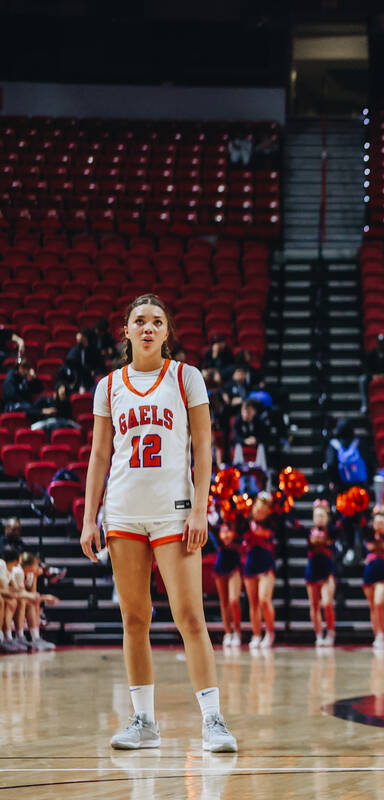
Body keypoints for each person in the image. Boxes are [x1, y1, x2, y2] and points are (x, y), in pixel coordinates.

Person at [78, 294, 237, 752]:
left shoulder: (187, 377)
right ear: (125, 331)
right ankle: (144, 721)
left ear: (167, 332)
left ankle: (213, 721)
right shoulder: (109, 386)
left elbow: (204, 448)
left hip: (175, 510)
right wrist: (90, 518)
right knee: (134, 617)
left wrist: (201, 507)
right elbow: (99, 456)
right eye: (139, 321)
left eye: (157, 321)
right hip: (123, 510)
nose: (147, 328)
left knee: (190, 615)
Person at [241, 493, 277, 650]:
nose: (259, 514)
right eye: (258, 510)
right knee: (253, 602)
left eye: (263, 511)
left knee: (264, 599)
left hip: (266, 565)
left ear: (268, 512)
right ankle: (256, 634)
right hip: (250, 565)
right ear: (253, 509)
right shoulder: (245, 522)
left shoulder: (272, 524)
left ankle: (270, 632)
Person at [362, 506, 384, 650]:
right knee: (373, 607)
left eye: (383, 522)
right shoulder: (368, 535)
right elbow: (360, 521)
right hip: (369, 574)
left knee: (379, 602)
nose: (380, 525)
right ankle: (378, 634)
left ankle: (381, 633)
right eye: (377, 522)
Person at [306, 500, 337, 647]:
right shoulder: (309, 532)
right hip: (312, 570)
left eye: (322, 516)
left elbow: (344, 523)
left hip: (327, 571)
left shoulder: (331, 532)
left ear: (327, 517)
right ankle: (318, 634)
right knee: (314, 605)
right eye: (317, 516)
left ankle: (330, 632)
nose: (319, 518)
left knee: (327, 603)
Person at [213, 523, 243, 648]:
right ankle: (227, 632)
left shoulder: (238, 519)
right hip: (221, 564)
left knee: (233, 600)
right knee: (224, 602)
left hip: (234, 564)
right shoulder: (218, 521)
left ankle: (237, 631)